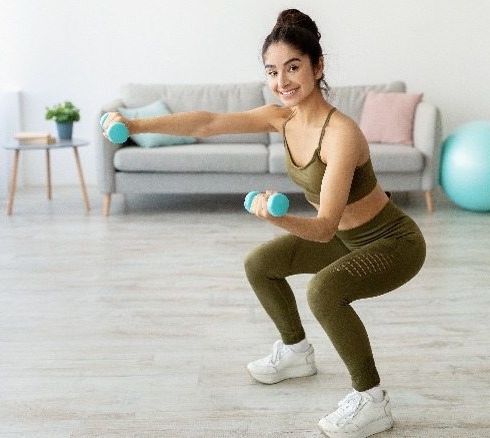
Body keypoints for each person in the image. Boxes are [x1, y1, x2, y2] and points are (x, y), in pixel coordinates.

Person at [102, 9, 426, 437]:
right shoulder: (283, 118)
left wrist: (278, 216)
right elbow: (208, 122)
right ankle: (296, 352)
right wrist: (134, 123)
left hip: (392, 242)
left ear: (318, 66)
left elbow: (325, 226)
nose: (283, 81)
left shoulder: (341, 134)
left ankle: (372, 400)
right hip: (347, 238)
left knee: (324, 292)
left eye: (293, 67)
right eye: (273, 71)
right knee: (260, 265)